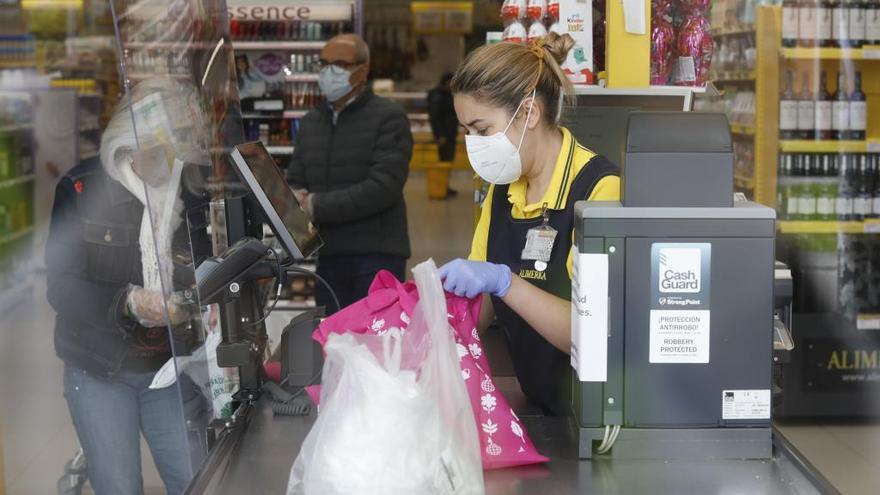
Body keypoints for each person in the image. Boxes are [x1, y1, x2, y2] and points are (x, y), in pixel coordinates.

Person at [439, 33, 621, 415]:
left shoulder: (599, 190)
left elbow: (589, 334)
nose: (474, 144)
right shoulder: (503, 191)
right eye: (467, 132)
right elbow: (481, 306)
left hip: (593, 420)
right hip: (539, 406)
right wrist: (436, 319)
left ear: (529, 114)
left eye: (482, 130)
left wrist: (505, 281)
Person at [46, 78, 209, 495]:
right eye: (160, 148)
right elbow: (61, 287)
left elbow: (207, 264)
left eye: (180, 147)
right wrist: (129, 303)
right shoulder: (81, 189)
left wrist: (201, 299)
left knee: (197, 481)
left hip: (171, 368)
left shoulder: (191, 191)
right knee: (118, 485)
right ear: (128, 140)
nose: (171, 161)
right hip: (100, 366)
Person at [287, 34, 413, 313]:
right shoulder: (311, 122)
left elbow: (383, 187)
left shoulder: (388, 117)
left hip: (376, 256)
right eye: (324, 64)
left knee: (374, 345)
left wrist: (315, 205)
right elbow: (297, 176)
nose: (329, 72)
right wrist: (291, 198)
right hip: (329, 257)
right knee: (332, 343)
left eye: (340, 64)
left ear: (363, 69)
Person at [428, 72, 459, 198]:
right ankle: (441, 188)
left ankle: (445, 186)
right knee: (444, 161)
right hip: (444, 136)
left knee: (447, 162)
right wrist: (439, 135)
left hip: (449, 134)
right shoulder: (439, 96)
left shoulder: (447, 95)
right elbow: (435, 117)